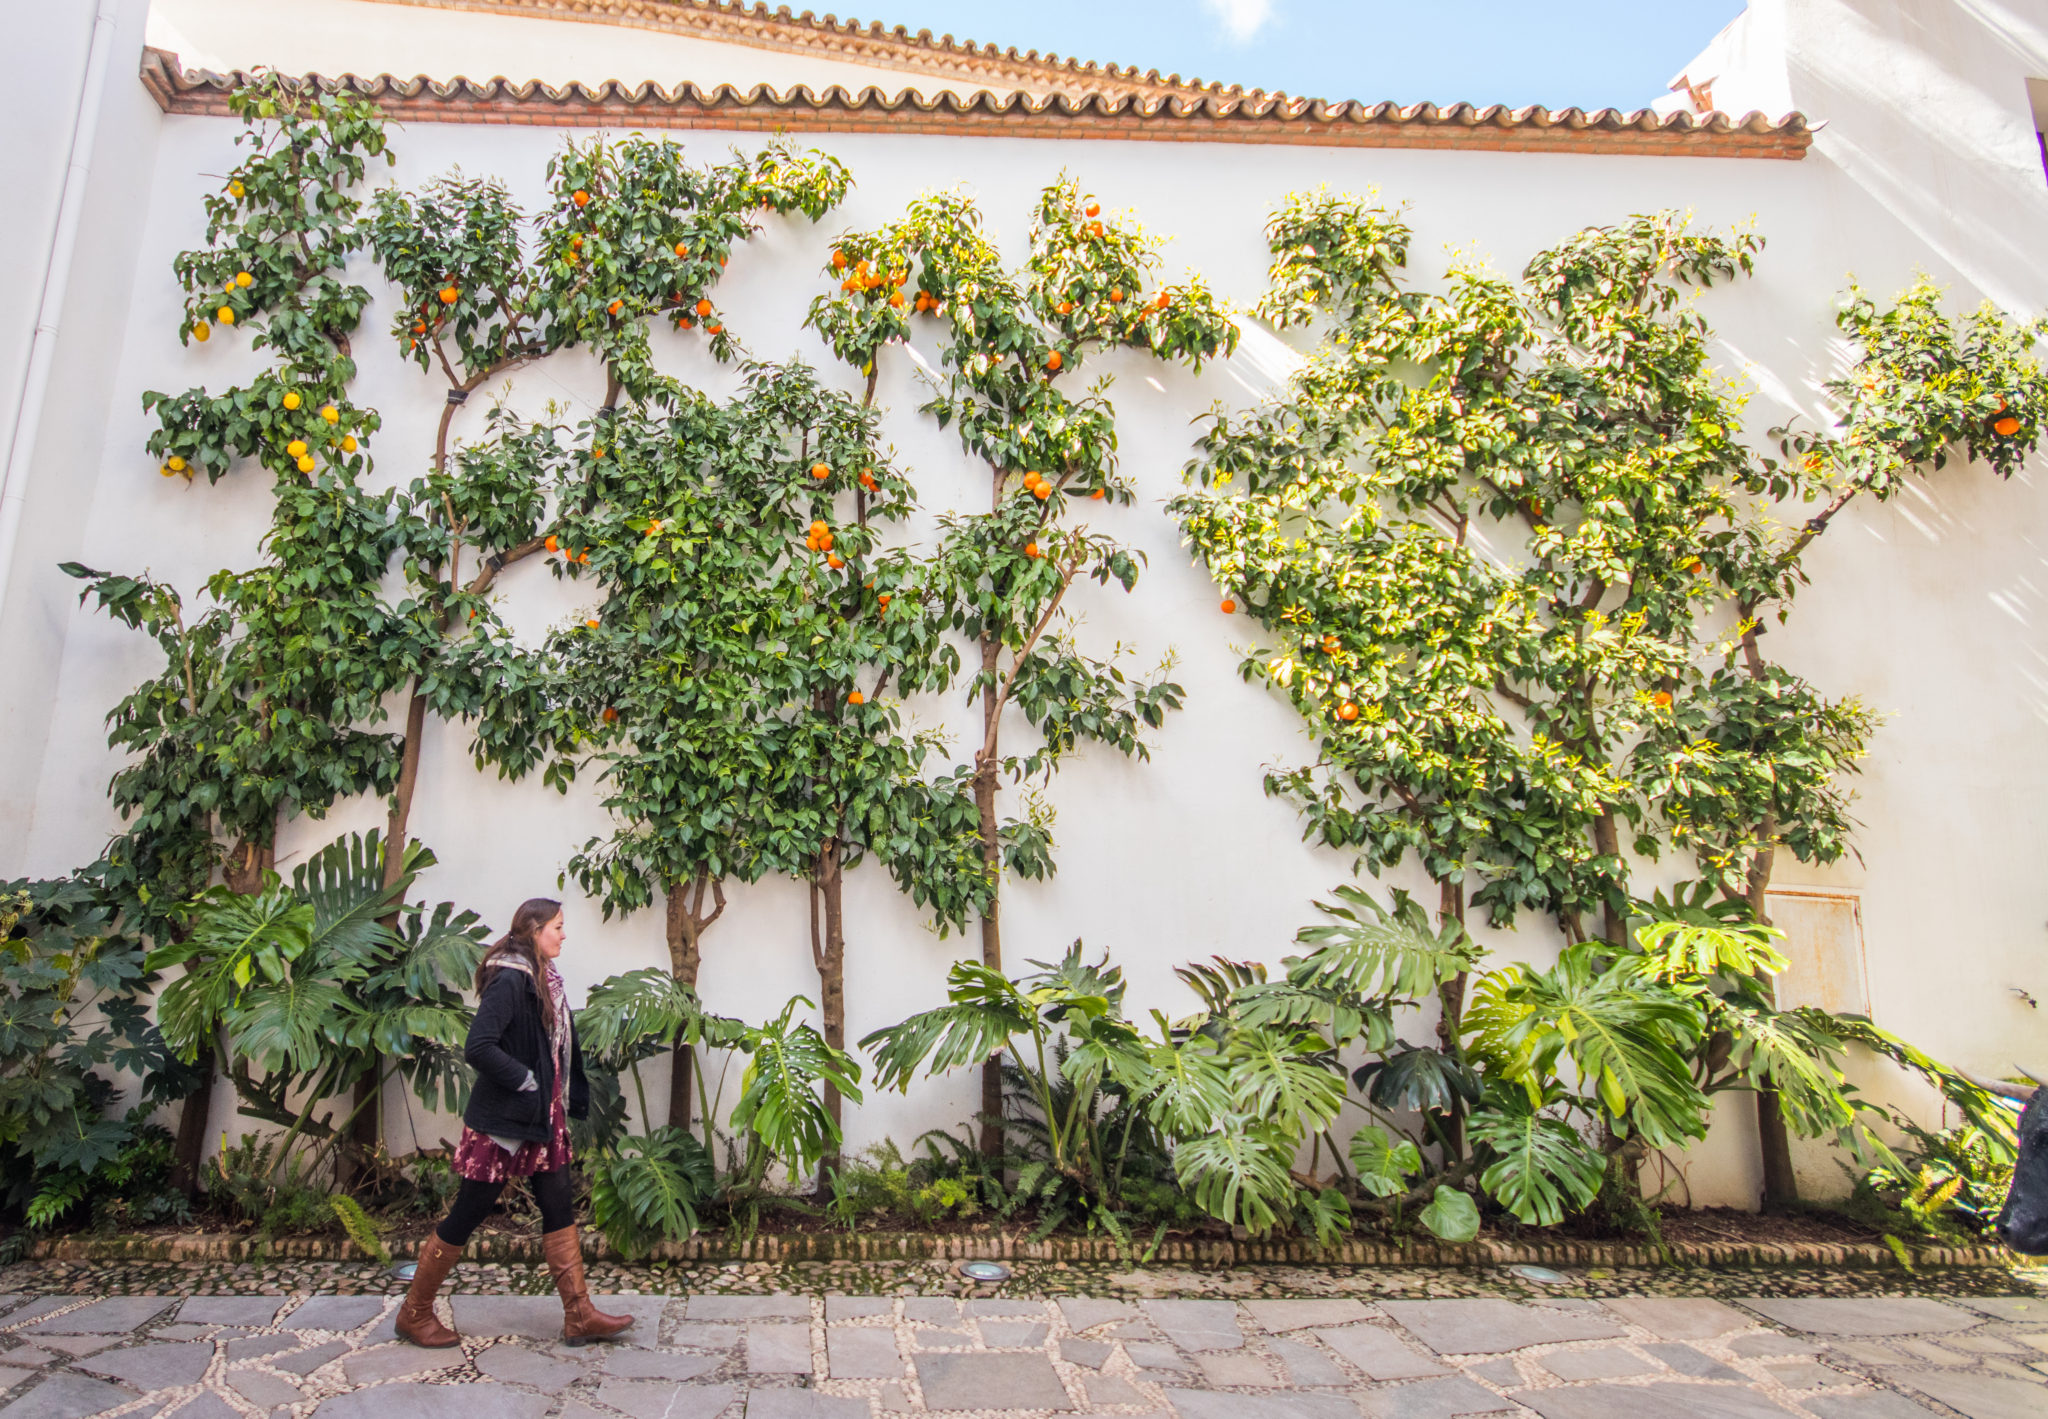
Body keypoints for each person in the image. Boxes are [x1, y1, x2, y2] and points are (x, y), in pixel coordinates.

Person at [396, 897, 633, 1347]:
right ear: (534, 929)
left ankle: (579, 1315)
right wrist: (525, 1080)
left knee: (559, 1203)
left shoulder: (542, 977)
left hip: (540, 1119)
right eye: (558, 927)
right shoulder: (511, 978)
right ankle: (415, 1313)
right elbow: (479, 1046)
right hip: (505, 1120)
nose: (564, 935)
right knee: (469, 1211)